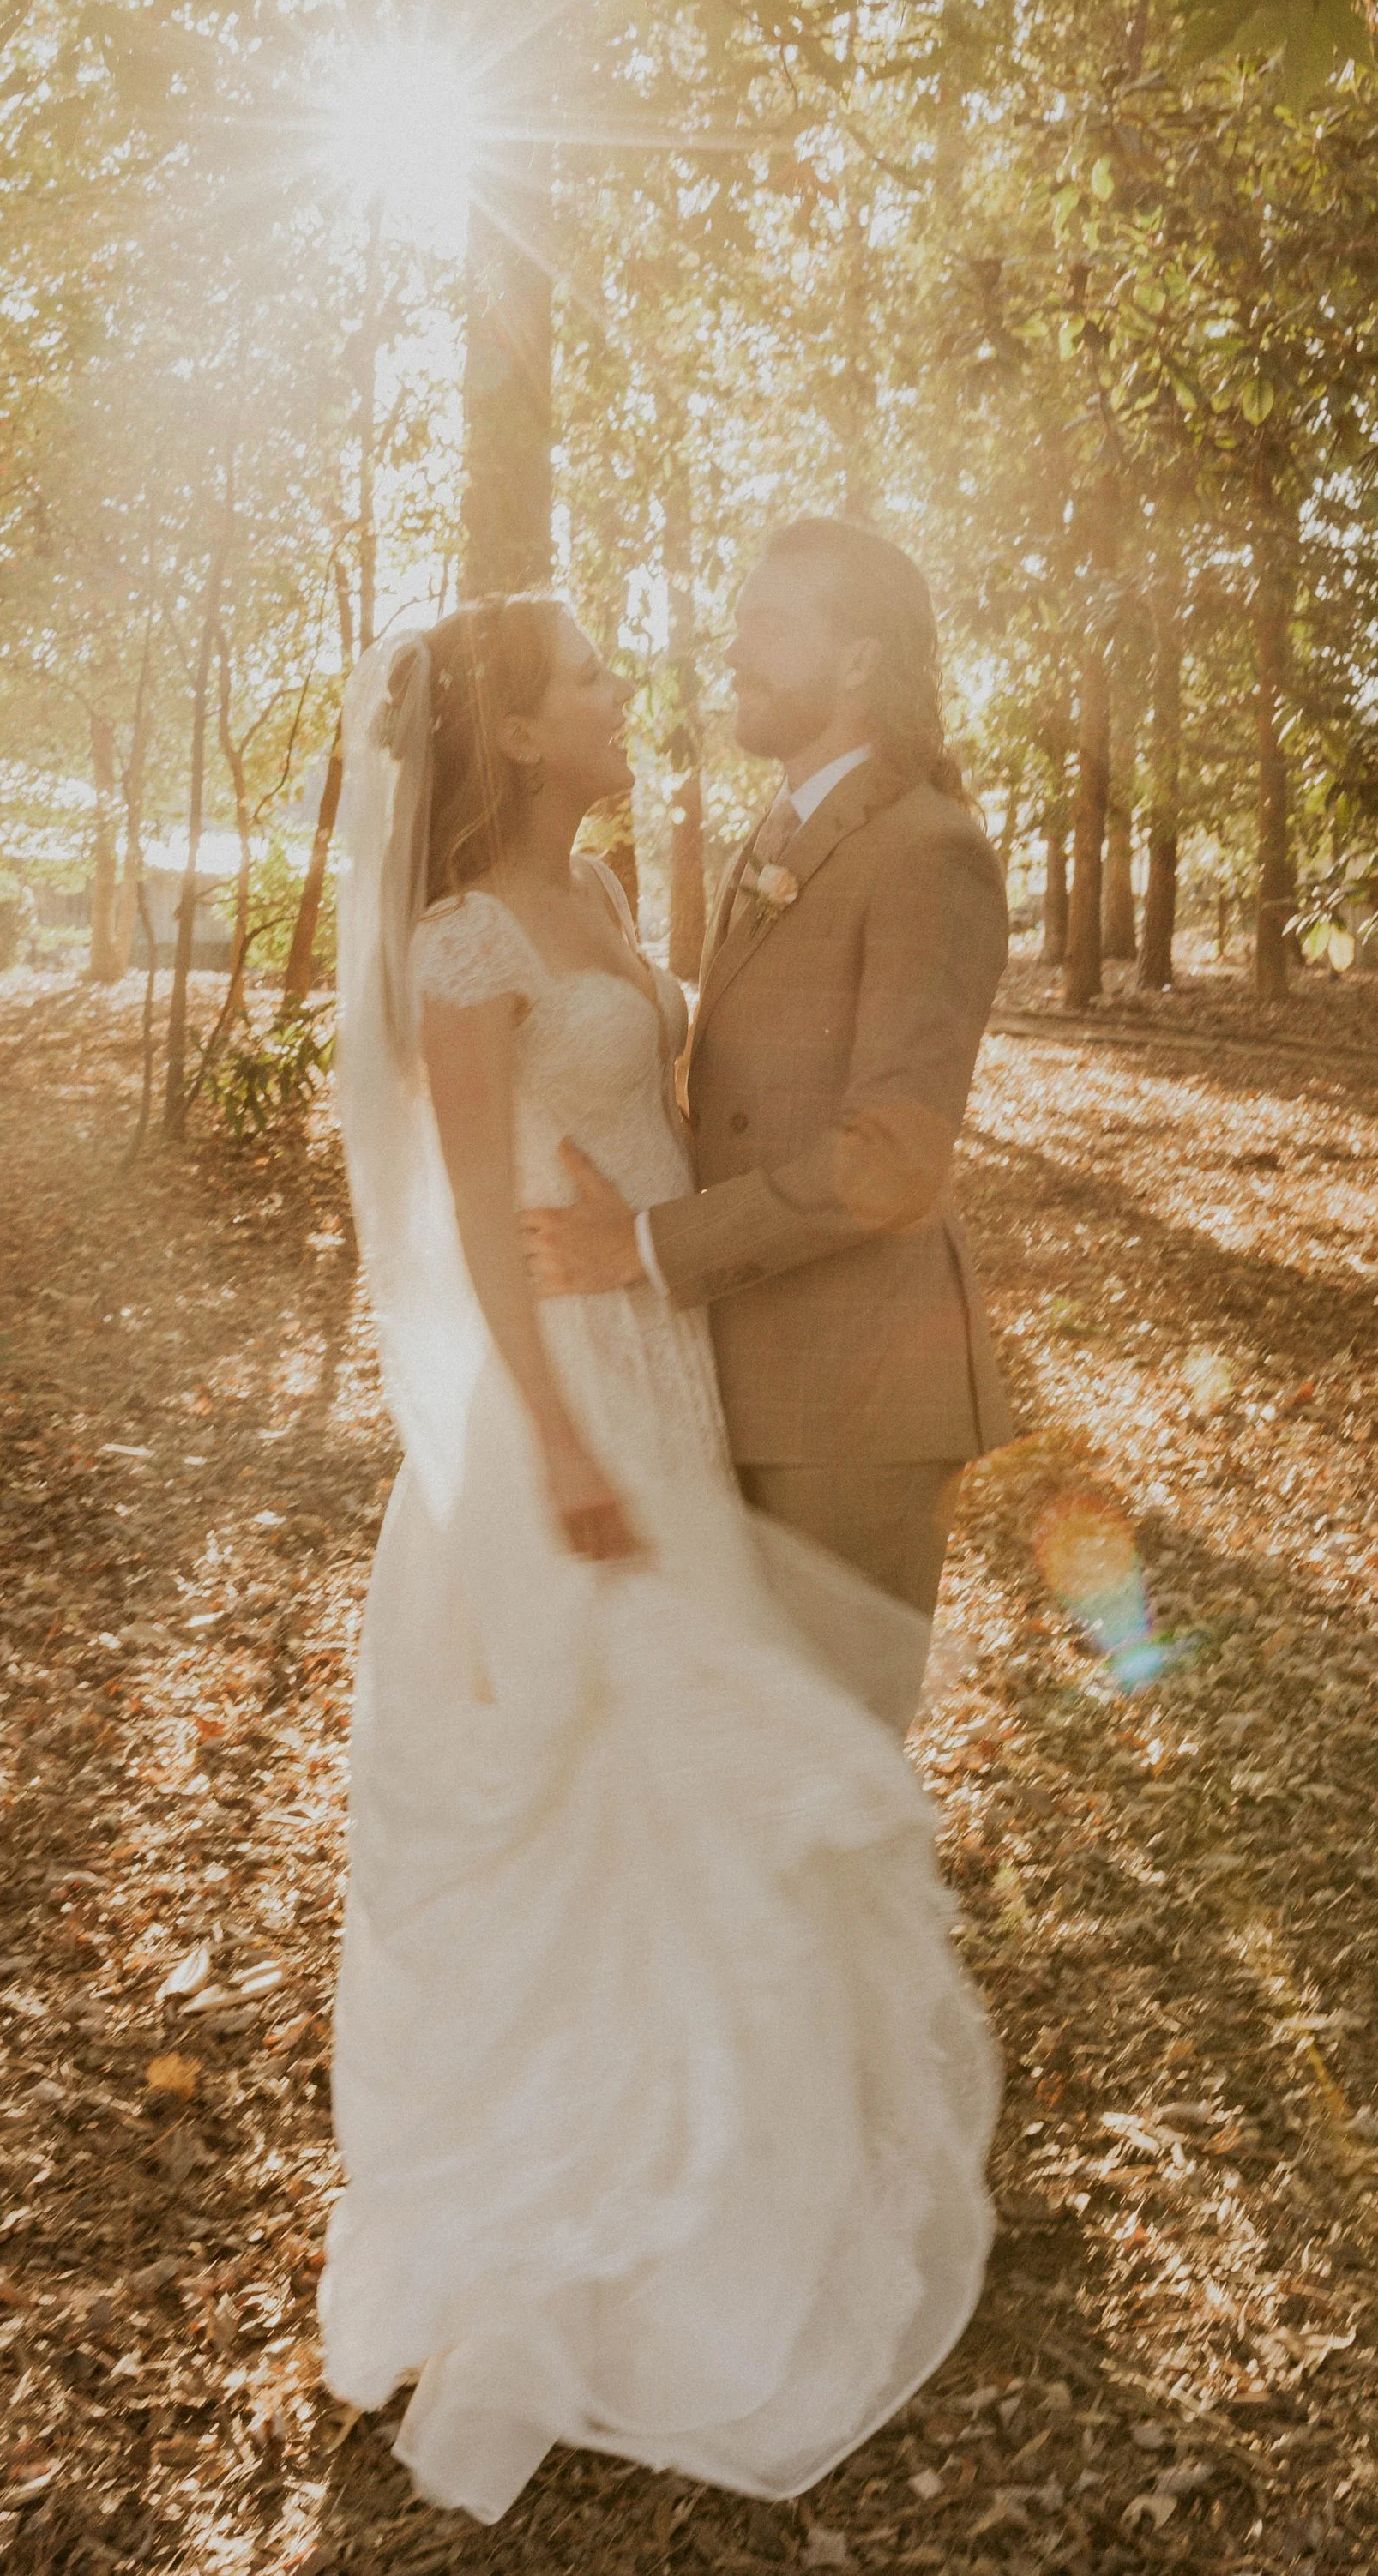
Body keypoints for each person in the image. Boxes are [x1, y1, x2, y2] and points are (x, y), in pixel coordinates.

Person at [320, 589, 998, 2527]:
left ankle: (726, 2155)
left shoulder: (616, 893)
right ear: (518, 738)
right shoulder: (460, 942)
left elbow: (739, 1133)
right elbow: (461, 1231)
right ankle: (578, 2224)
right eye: (594, 681)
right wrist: (546, 1451)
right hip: (569, 1408)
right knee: (579, 1783)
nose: (639, 693)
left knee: (692, 1777)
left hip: (670, 1364)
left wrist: (647, 1301)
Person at [522, 515, 1013, 1730]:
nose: (731, 650)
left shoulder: (926, 851)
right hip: (725, 1381)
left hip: (854, 1401)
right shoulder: (781, 835)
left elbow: (894, 1164)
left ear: (858, 661)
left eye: (768, 626)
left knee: (827, 1790)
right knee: (740, 1779)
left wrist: (645, 1244)